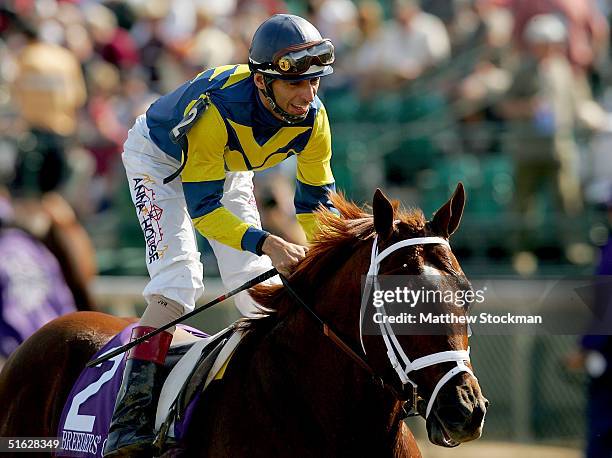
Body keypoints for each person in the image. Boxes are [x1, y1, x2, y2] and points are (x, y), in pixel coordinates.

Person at [104, 14, 338, 456]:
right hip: (158, 163)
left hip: (221, 168)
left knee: (259, 286)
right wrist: (267, 240)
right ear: (264, 81)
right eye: (297, 85)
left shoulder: (314, 118)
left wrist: (324, 256)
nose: (308, 96)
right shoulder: (217, 112)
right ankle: (129, 417)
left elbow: (313, 206)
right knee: (178, 283)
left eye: (316, 83)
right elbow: (205, 213)